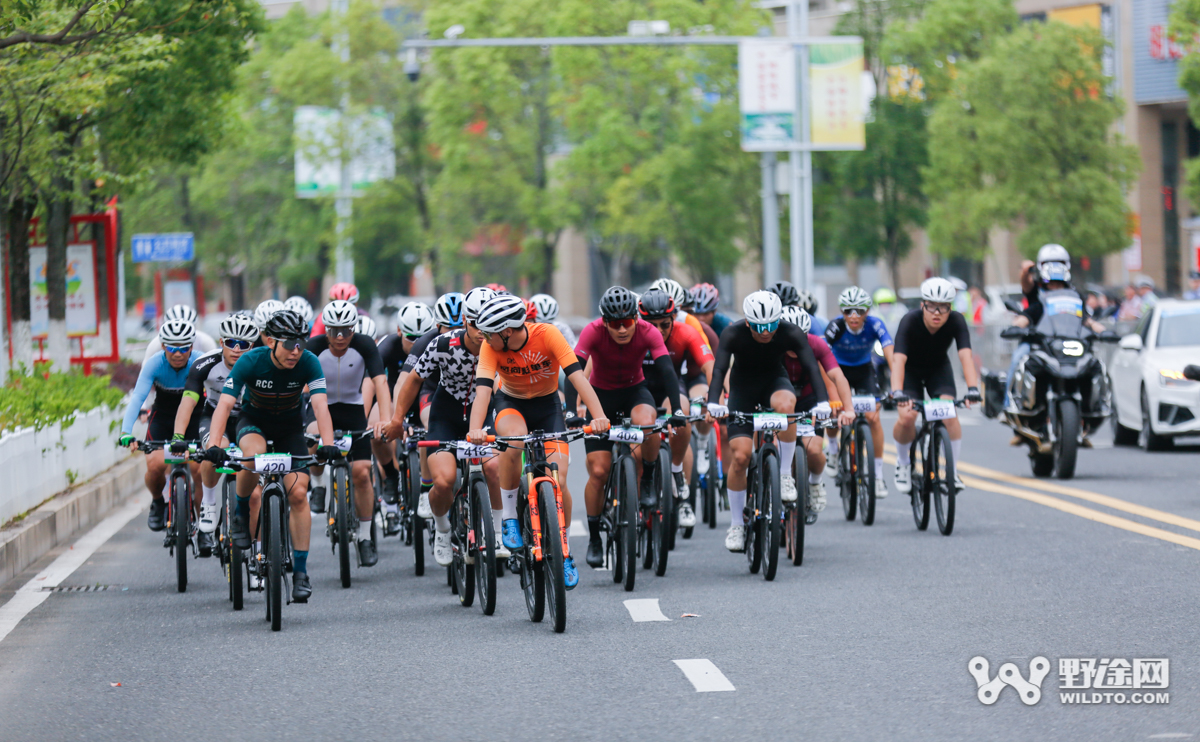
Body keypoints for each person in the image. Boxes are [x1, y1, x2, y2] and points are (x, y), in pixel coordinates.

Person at [467, 293, 611, 590]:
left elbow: (577, 377)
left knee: (558, 479)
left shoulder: (548, 335)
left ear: (506, 332)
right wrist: (475, 430)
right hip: (511, 403)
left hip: (548, 408)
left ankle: (565, 551)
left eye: (490, 334)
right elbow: (483, 390)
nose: (486, 339)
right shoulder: (489, 347)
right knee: (513, 441)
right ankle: (509, 516)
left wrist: (599, 417)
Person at [204, 309, 338, 603]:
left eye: (300, 343)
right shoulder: (251, 360)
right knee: (253, 454)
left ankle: (301, 572)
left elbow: (320, 407)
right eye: (288, 344)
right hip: (254, 422)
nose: (296, 351)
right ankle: (240, 514)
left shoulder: (309, 363)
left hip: (290, 427)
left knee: (299, 494)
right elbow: (225, 405)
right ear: (268, 340)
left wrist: (327, 443)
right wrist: (215, 443)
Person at [570, 287, 687, 570]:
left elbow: (668, 371)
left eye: (627, 323)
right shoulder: (592, 331)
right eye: (614, 324)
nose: (622, 329)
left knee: (649, 424)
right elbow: (573, 369)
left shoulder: (648, 331)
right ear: (604, 322)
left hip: (636, 391)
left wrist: (678, 410)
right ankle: (595, 536)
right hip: (600, 398)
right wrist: (570, 410)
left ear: (636, 318)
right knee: (599, 471)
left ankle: (646, 477)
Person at [383, 292, 504, 567]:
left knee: (494, 468)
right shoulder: (443, 344)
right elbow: (414, 380)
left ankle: (496, 532)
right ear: (464, 321)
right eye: (475, 324)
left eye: (488, 325)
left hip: (483, 414)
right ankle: (443, 528)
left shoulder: (499, 347)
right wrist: (397, 419)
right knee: (444, 481)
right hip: (445, 416)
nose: (482, 333)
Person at [705, 291, 829, 552]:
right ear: (748, 322)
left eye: (771, 326)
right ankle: (737, 524)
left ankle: (784, 475)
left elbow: (811, 367)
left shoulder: (790, 332)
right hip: (742, 389)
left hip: (775, 381)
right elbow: (719, 369)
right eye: (759, 327)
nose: (766, 332)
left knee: (787, 406)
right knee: (740, 457)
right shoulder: (732, 333)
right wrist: (714, 402)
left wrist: (823, 403)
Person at [304, 300, 391, 567]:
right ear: (325, 329)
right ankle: (317, 485)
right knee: (311, 437)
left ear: (354, 329)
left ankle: (365, 537)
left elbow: (380, 383)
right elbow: (298, 384)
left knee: (362, 472)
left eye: (346, 330)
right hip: (322, 406)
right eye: (333, 330)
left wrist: (386, 419)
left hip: (353, 408)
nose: (340, 337)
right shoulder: (314, 346)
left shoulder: (365, 345)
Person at [172, 313, 258, 557]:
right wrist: (178, 436)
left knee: (256, 484)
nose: (237, 349)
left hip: (247, 419)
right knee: (213, 449)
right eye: (231, 343)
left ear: (253, 346)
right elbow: (187, 404)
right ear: (221, 342)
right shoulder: (204, 364)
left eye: (244, 345)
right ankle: (209, 503)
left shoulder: (260, 364)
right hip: (213, 416)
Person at [890, 278, 982, 494]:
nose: (937, 312)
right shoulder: (910, 320)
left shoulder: (957, 321)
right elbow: (898, 361)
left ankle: (953, 471)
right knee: (907, 417)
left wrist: (973, 389)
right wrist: (897, 392)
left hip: (938, 370)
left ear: (951, 307)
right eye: (931, 306)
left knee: (949, 414)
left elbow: (966, 357)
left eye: (944, 307)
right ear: (923, 305)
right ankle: (903, 463)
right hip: (910, 371)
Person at [639, 288, 715, 530]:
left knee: (682, 415)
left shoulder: (686, 332)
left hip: (670, 389)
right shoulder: (631, 334)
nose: (659, 331)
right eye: (652, 325)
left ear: (674, 319)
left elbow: (710, 366)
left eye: (665, 324)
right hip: (636, 391)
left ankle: (677, 475)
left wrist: (715, 399)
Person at [119, 318, 202, 532]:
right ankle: (157, 502)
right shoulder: (154, 363)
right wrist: (126, 432)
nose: (177, 353)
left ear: (192, 347)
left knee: (200, 469)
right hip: (163, 418)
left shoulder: (200, 363)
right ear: (163, 345)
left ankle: (204, 522)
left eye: (183, 347)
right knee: (155, 466)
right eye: (172, 347)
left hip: (194, 418)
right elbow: (138, 397)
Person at [1006, 245, 1105, 410]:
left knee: (1095, 364)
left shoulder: (1075, 295)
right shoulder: (1037, 293)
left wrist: (1105, 332)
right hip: (1038, 343)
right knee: (1018, 358)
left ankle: (1096, 405)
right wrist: (1015, 327)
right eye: (1049, 263)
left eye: (1059, 262)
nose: (1054, 269)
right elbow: (1027, 313)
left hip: (1071, 344)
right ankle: (1009, 404)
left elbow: (1087, 320)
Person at [397, 293, 466, 520]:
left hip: (468, 395)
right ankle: (427, 488)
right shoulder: (426, 342)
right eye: (448, 329)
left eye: (460, 327)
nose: (455, 333)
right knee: (429, 426)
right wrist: (399, 418)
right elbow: (405, 381)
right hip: (434, 390)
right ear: (437, 326)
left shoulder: (477, 340)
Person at [780, 305, 854, 513]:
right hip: (779, 398)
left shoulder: (816, 345)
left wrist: (848, 408)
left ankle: (815, 482)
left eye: (800, 336)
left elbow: (837, 376)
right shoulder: (772, 346)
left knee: (812, 449)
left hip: (808, 398)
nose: (794, 342)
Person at [823, 286, 893, 500]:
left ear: (868, 312)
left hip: (864, 370)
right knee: (835, 412)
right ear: (842, 312)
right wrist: (833, 396)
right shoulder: (835, 327)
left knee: (873, 417)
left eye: (860, 311)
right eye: (848, 311)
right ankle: (833, 450)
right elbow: (822, 357)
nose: (854, 316)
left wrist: (897, 387)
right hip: (837, 370)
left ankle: (878, 475)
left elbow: (891, 354)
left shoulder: (876, 325)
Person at [370, 301, 434, 513]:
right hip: (392, 398)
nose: (419, 342)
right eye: (412, 338)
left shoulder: (435, 344)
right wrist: (392, 419)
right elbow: (374, 382)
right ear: (399, 331)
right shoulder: (387, 347)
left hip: (426, 397)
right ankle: (390, 475)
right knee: (376, 429)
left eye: (423, 336)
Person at [142, 304, 218, 361]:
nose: (180, 339)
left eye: (187, 333)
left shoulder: (206, 342)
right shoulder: (155, 345)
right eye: (171, 347)